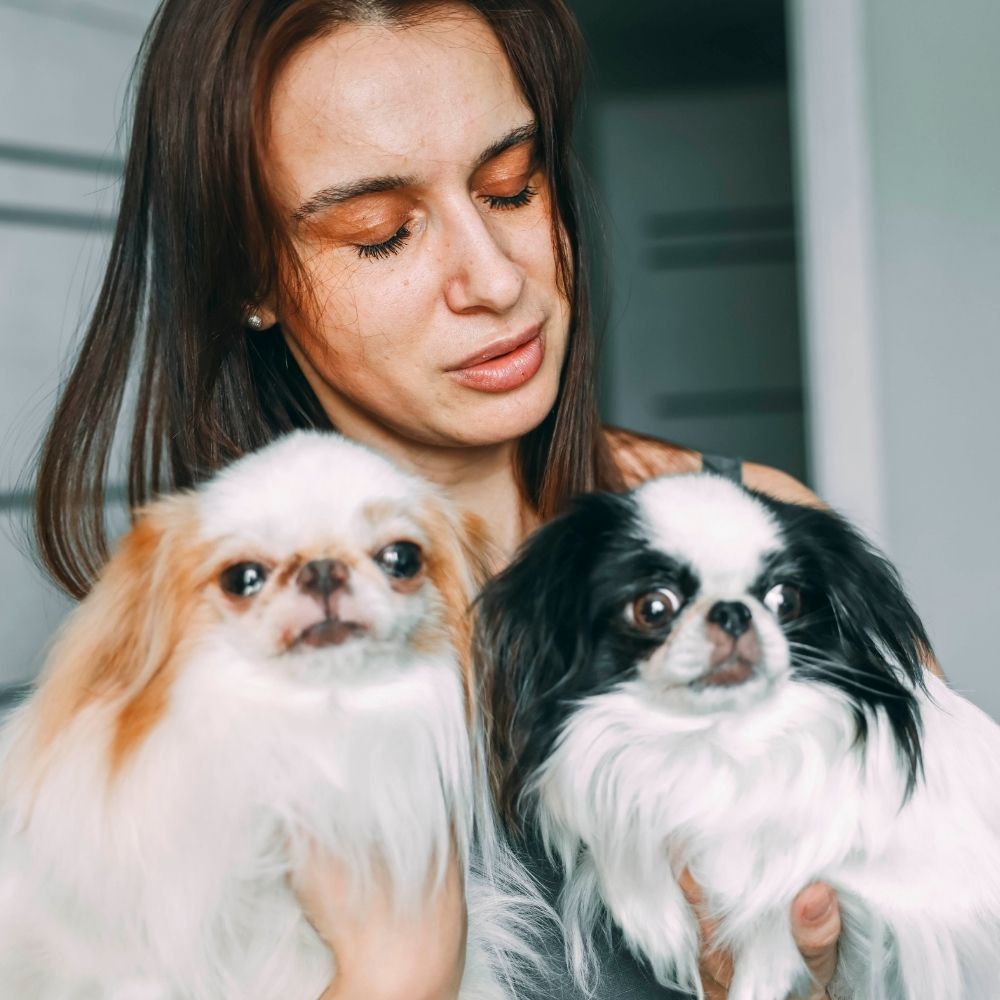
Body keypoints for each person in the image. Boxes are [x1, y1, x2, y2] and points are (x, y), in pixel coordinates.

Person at [33, 1, 847, 997]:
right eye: (380, 234)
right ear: (250, 274)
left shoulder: (761, 534)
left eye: (510, 186)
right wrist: (391, 970)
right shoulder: (182, 683)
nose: (495, 280)